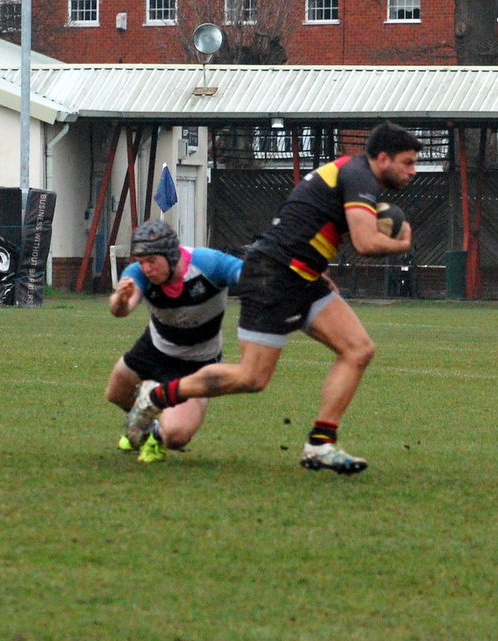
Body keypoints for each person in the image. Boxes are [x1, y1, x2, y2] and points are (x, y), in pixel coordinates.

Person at [124, 122, 421, 474]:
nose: (413, 171)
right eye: (408, 162)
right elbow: (366, 243)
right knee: (251, 378)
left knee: (358, 349)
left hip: (303, 275)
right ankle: (156, 396)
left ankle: (320, 444)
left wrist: (317, 267)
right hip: (274, 277)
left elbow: (304, 221)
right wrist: (402, 244)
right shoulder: (359, 176)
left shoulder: (350, 173)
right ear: (383, 158)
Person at [107, 220, 243, 463]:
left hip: (198, 363)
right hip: (155, 348)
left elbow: (249, 276)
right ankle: (147, 427)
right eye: (141, 261)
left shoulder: (209, 264)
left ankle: (158, 437)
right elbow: (122, 309)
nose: (146, 268)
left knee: (176, 436)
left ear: (171, 255)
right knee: (116, 393)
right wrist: (119, 300)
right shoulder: (139, 273)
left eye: (152, 261)